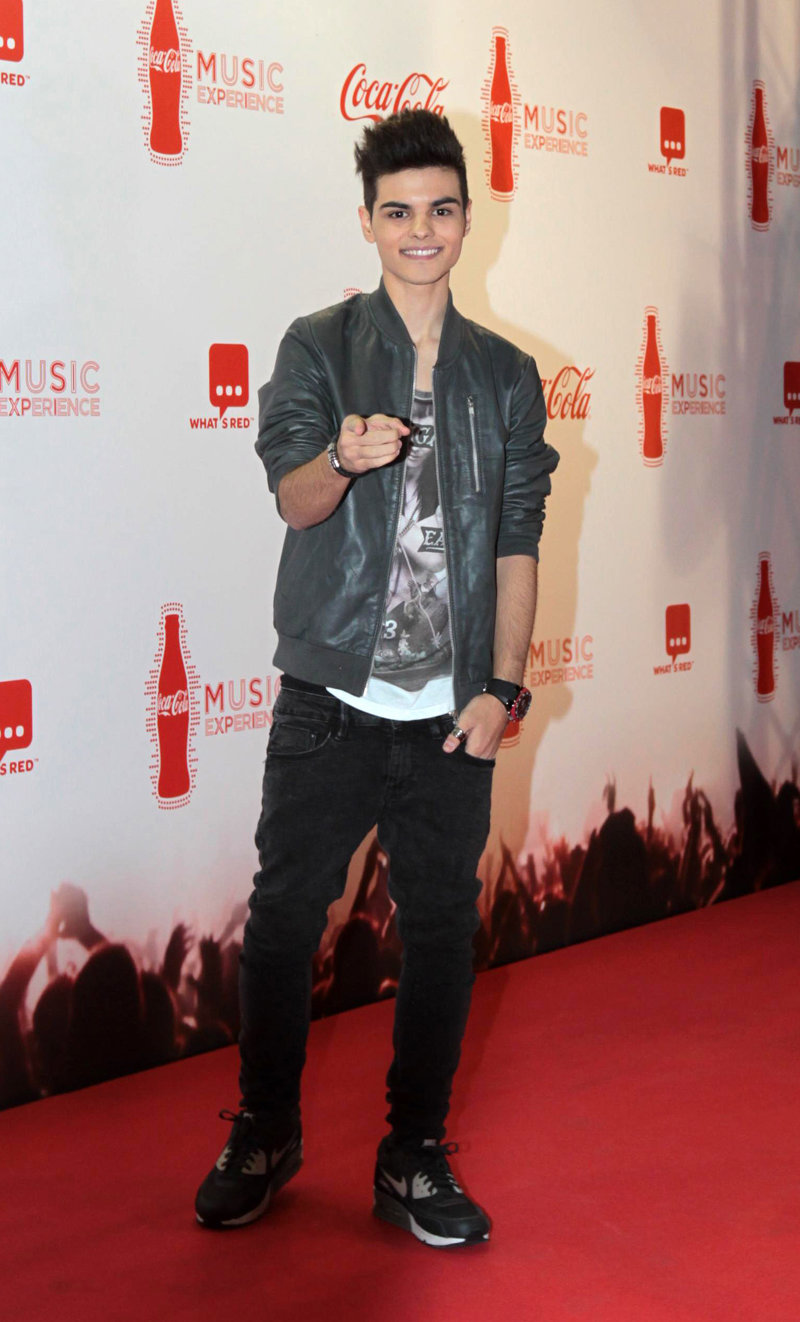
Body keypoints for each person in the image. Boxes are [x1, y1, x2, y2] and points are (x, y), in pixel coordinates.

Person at [195, 108, 558, 1248]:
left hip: (451, 712)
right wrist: (340, 460)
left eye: (439, 209)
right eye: (397, 211)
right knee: (281, 923)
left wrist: (502, 688)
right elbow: (294, 499)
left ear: (466, 219)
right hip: (330, 703)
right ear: (368, 222)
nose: (420, 230)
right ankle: (264, 1131)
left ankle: (413, 1154)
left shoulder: (506, 376)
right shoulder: (317, 344)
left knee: (442, 933)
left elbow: (516, 538)